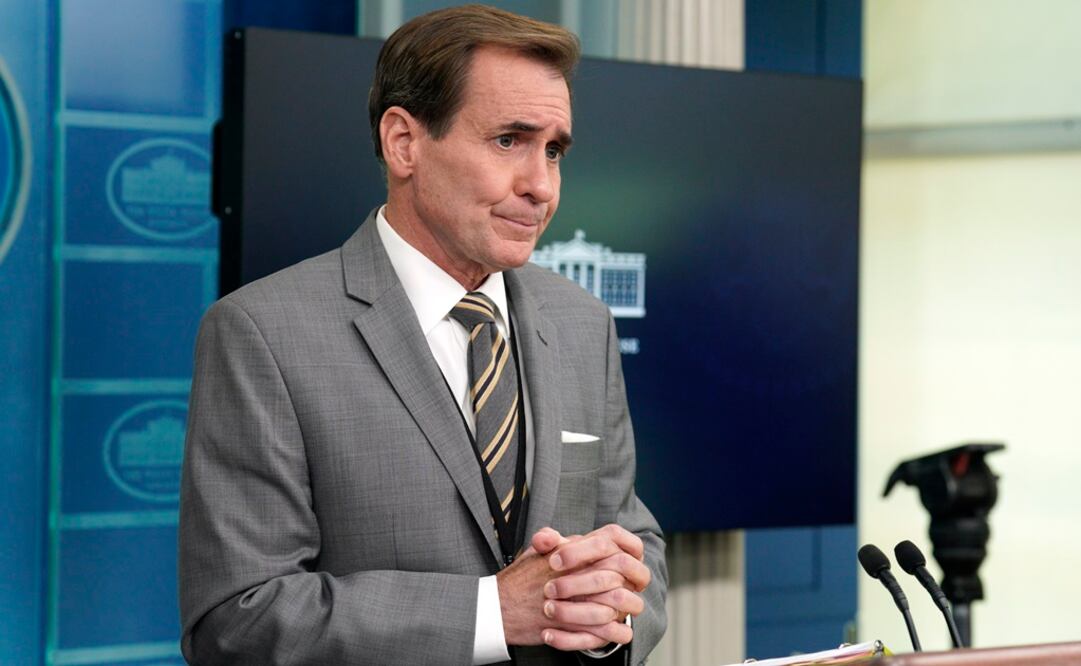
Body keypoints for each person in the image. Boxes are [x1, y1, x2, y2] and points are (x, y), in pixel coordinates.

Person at [179, 5, 667, 664]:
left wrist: (613, 609)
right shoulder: (261, 334)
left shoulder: (582, 321)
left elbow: (634, 542)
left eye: (553, 149)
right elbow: (238, 621)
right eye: (508, 141)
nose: (540, 186)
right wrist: (494, 611)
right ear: (403, 142)